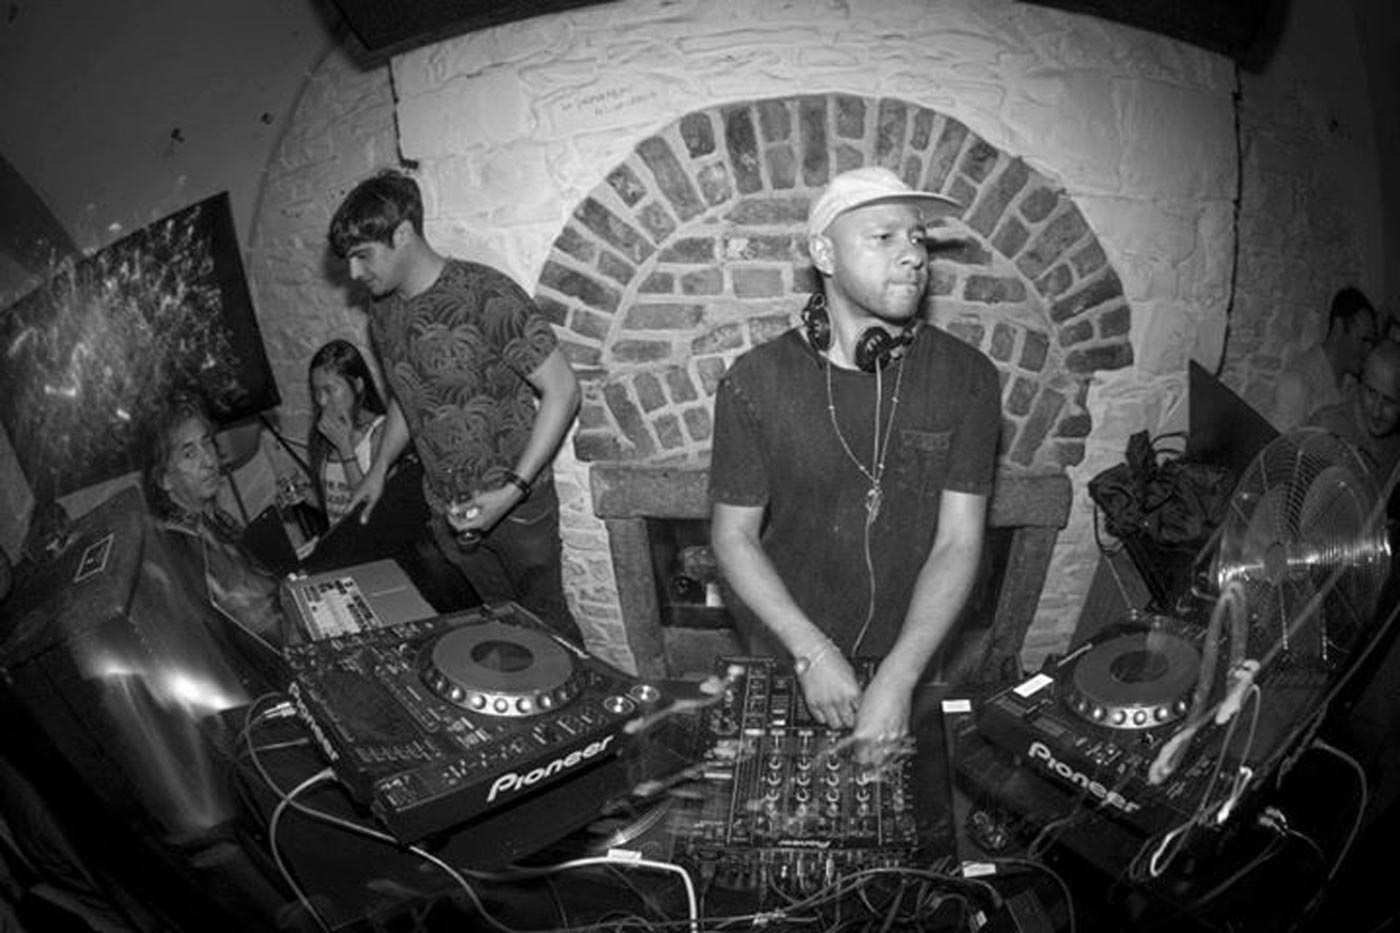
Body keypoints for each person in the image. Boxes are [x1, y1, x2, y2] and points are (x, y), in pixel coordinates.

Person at [708, 166, 1001, 757]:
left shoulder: (969, 378)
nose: (913, 255)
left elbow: (959, 542)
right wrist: (811, 652)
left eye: (916, 238)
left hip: (912, 649)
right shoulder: (754, 383)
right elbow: (733, 537)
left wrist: (900, 674)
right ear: (825, 254)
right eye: (883, 237)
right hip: (790, 644)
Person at [329, 169, 583, 643]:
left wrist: (511, 491)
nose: (354, 274)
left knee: (551, 629)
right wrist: (379, 467)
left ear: (403, 234)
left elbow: (564, 390)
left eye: (363, 255)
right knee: (506, 626)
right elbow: (407, 395)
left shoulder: (485, 293)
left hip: (517, 507)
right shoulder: (381, 313)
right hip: (447, 510)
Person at [142, 390, 300, 650]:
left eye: (207, 443)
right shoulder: (185, 546)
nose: (208, 461)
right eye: (189, 454)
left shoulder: (212, 518)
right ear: (164, 479)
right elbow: (256, 630)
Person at [1272, 286, 1379, 433]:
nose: (1368, 350)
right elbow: (1284, 446)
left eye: (1371, 343)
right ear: (1338, 328)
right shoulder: (1297, 383)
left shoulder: (1354, 387)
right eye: (1364, 340)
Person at [307, 339, 388, 525]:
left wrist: (345, 448)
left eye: (330, 390)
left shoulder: (381, 431)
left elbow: (370, 509)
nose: (322, 401)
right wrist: (303, 494)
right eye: (317, 392)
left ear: (358, 385)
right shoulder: (324, 434)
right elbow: (335, 503)